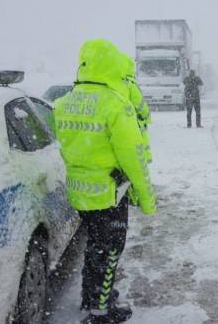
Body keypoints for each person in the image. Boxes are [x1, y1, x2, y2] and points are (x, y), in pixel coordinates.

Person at [54, 39, 156, 324]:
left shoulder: (64, 103)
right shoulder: (115, 106)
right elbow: (134, 158)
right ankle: (101, 311)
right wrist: (146, 198)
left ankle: (93, 295)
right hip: (109, 194)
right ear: (112, 66)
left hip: (81, 194)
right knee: (110, 251)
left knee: (94, 248)